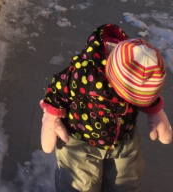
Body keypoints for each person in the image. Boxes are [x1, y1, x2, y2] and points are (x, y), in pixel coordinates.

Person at [40, 23, 172, 192]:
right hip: (81, 137)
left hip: (124, 135)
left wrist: (156, 112)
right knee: (80, 184)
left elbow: (146, 96)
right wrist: (51, 118)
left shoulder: (138, 69)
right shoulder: (86, 74)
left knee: (127, 179)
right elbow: (58, 88)